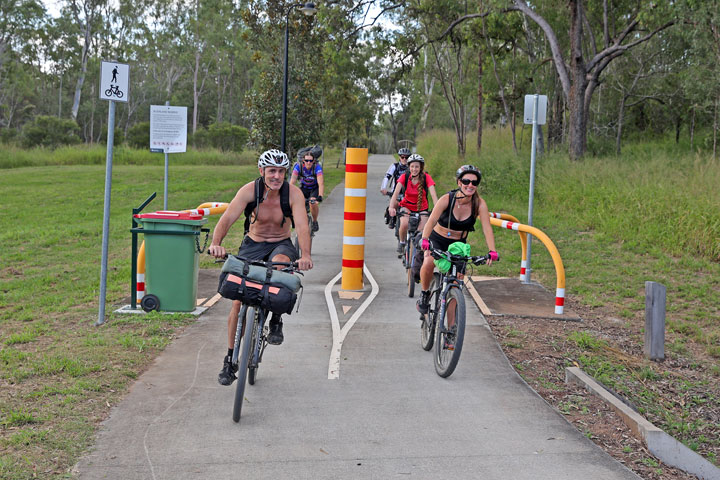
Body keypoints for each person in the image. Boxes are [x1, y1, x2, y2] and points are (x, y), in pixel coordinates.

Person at [209, 149, 313, 386]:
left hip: (281, 244)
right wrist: (216, 243)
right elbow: (227, 219)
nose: (276, 176)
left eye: (281, 171)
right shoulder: (249, 191)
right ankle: (230, 359)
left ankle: (276, 319)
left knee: (282, 267)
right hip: (253, 243)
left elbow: (303, 228)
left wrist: (305, 255)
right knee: (237, 301)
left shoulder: (293, 194)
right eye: (272, 171)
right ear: (262, 171)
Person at [415, 164, 499, 314]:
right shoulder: (447, 199)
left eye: (474, 182)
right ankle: (424, 293)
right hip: (438, 239)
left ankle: (451, 330)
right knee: (428, 262)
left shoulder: (479, 204)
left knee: (456, 283)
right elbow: (432, 220)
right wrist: (425, 239)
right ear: (459, 182)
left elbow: (487, 228)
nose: (470, 185)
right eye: (466, 181)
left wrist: (492, 250)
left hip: (458, 245)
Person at [388, 154, 438, 253]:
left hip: (422, 208)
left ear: (420, 168)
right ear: (409, 167)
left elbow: (434, 196)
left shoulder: (426, 177)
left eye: (417, 167)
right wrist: (391, 207)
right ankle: (402, 242)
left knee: (421, 232)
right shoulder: (405, 177)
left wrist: (437, 210)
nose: (414, 169)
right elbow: (395, 193)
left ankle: (415, 254)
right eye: (412, 166)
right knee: (404, 224)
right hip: (407, 206)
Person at [289, 149, 324, 232]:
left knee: (312, 202)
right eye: (306, 160)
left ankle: (315, 221)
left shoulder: (317, 167)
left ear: (314, 161)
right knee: (295, 203)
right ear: (303, 161)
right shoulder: (298, 166)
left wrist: (320, 196)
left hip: (314, 189)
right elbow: (292, 181)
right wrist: (289, 193)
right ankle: (295, 220)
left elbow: (321, 183)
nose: (309, 162)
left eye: (311, 161)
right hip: (303, 188)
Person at [381, 147, 411, 229]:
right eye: (402, 157)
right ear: (399, 157)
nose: (404, 159)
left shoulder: (411, 168)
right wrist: (383, 188)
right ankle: (391, 218)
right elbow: (387, 176)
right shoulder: (395, 166)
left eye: (406, 157)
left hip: (407, 193)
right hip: (395, 192)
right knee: (393, 204)